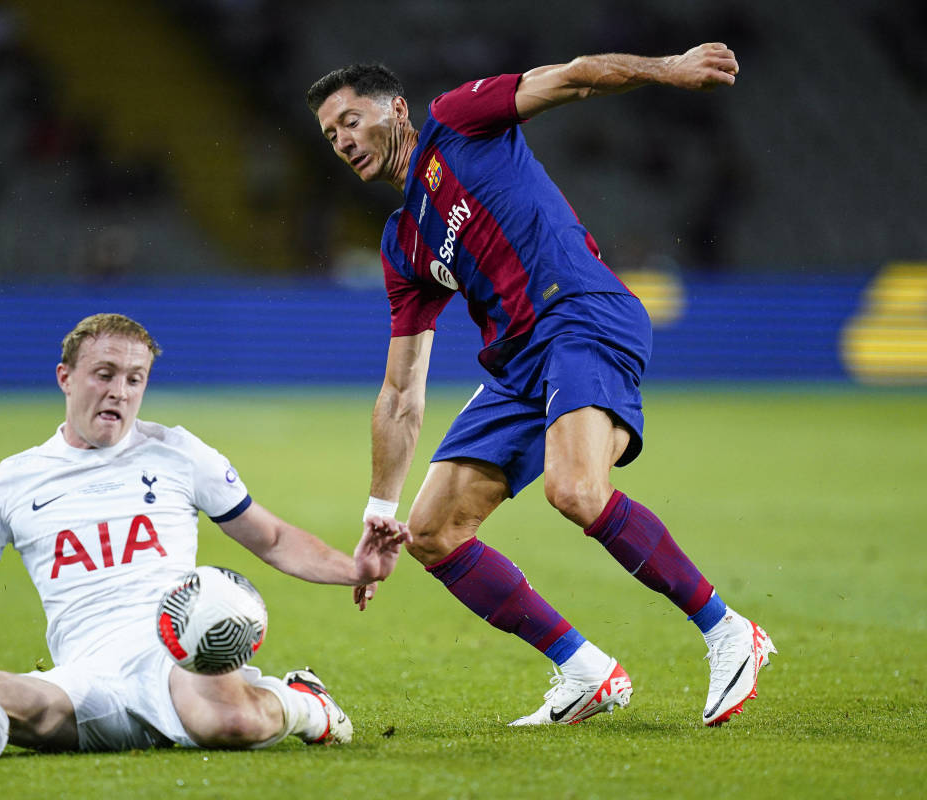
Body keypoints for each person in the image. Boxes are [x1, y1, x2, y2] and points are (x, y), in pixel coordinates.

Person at [306, 43, 775, 727]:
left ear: (396, 110)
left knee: (576, 489)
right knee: (432, 531)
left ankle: (728, 629)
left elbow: (575, 78)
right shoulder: (402, 242)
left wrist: (669, 69)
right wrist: (380, 506)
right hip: (518, 364)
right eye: (329, 135)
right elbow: (401, 391)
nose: (342, 141)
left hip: (581, 314)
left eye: (349, 120)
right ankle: (585, 670)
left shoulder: (456, 121)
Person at [0, 313, 406, 763]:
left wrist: (358, 569)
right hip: (88, 680)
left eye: (134, 378)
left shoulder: (178, 454)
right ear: (65, 377)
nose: (119, 391)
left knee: (226, 722)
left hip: (178, 656)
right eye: (104, 373)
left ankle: (304, 703)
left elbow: (271, 538)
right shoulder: (13, 483)